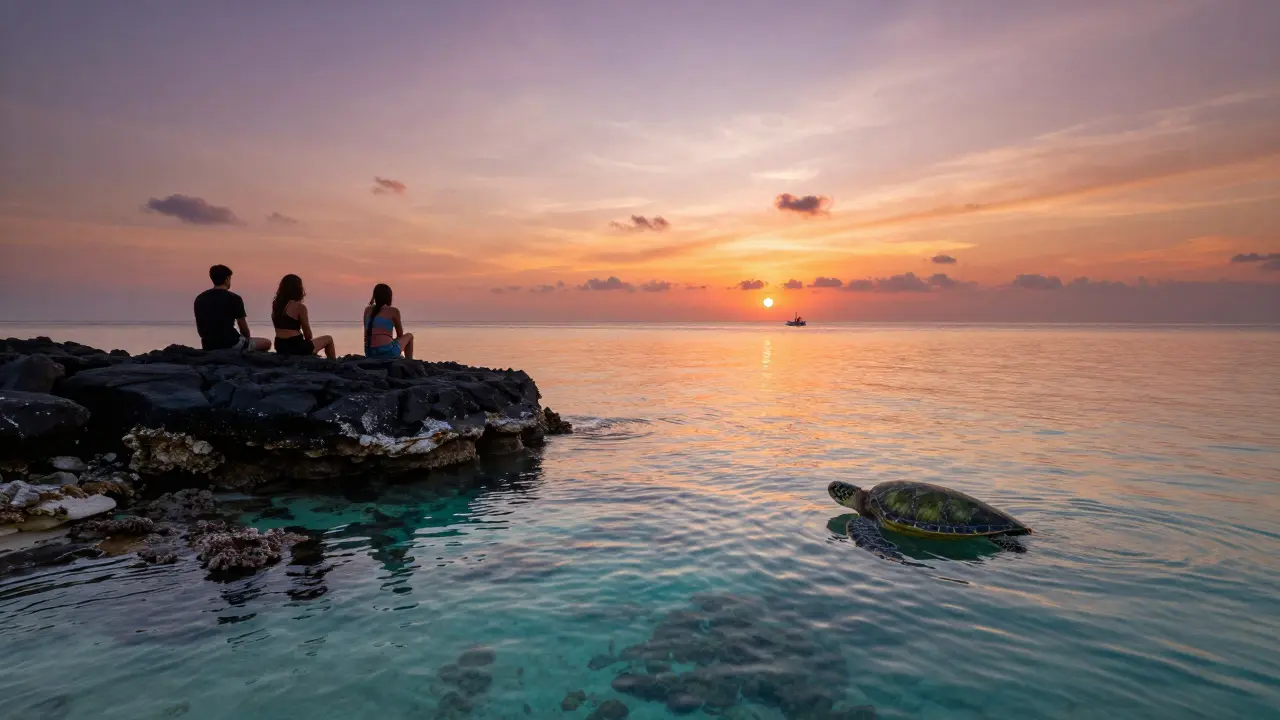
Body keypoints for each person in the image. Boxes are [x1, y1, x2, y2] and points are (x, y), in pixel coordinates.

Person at [193, 265, 271, 352]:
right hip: (230, 343)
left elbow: (200, 327)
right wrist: (247, 340)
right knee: (267, 343)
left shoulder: (200, 298)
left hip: (208, 344)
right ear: (227, 279)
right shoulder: (234, 298)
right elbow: (243, 328)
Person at [271, 274, 336, 358]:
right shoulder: (300, 307)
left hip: (279, 345)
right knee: (328, 339)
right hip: (296, 346)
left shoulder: (276, 304)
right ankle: (333, 364)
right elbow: (308, 335)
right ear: (298, 289)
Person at [363, 283, 414, 359]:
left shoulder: (367, 310)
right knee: (409, 336)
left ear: (375, 296)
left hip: (369, 353)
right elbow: (400, 334)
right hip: (387, 353)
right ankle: (409, 362)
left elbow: (366, 335)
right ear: (389, 297)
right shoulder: (393, 311)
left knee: (390, 344)